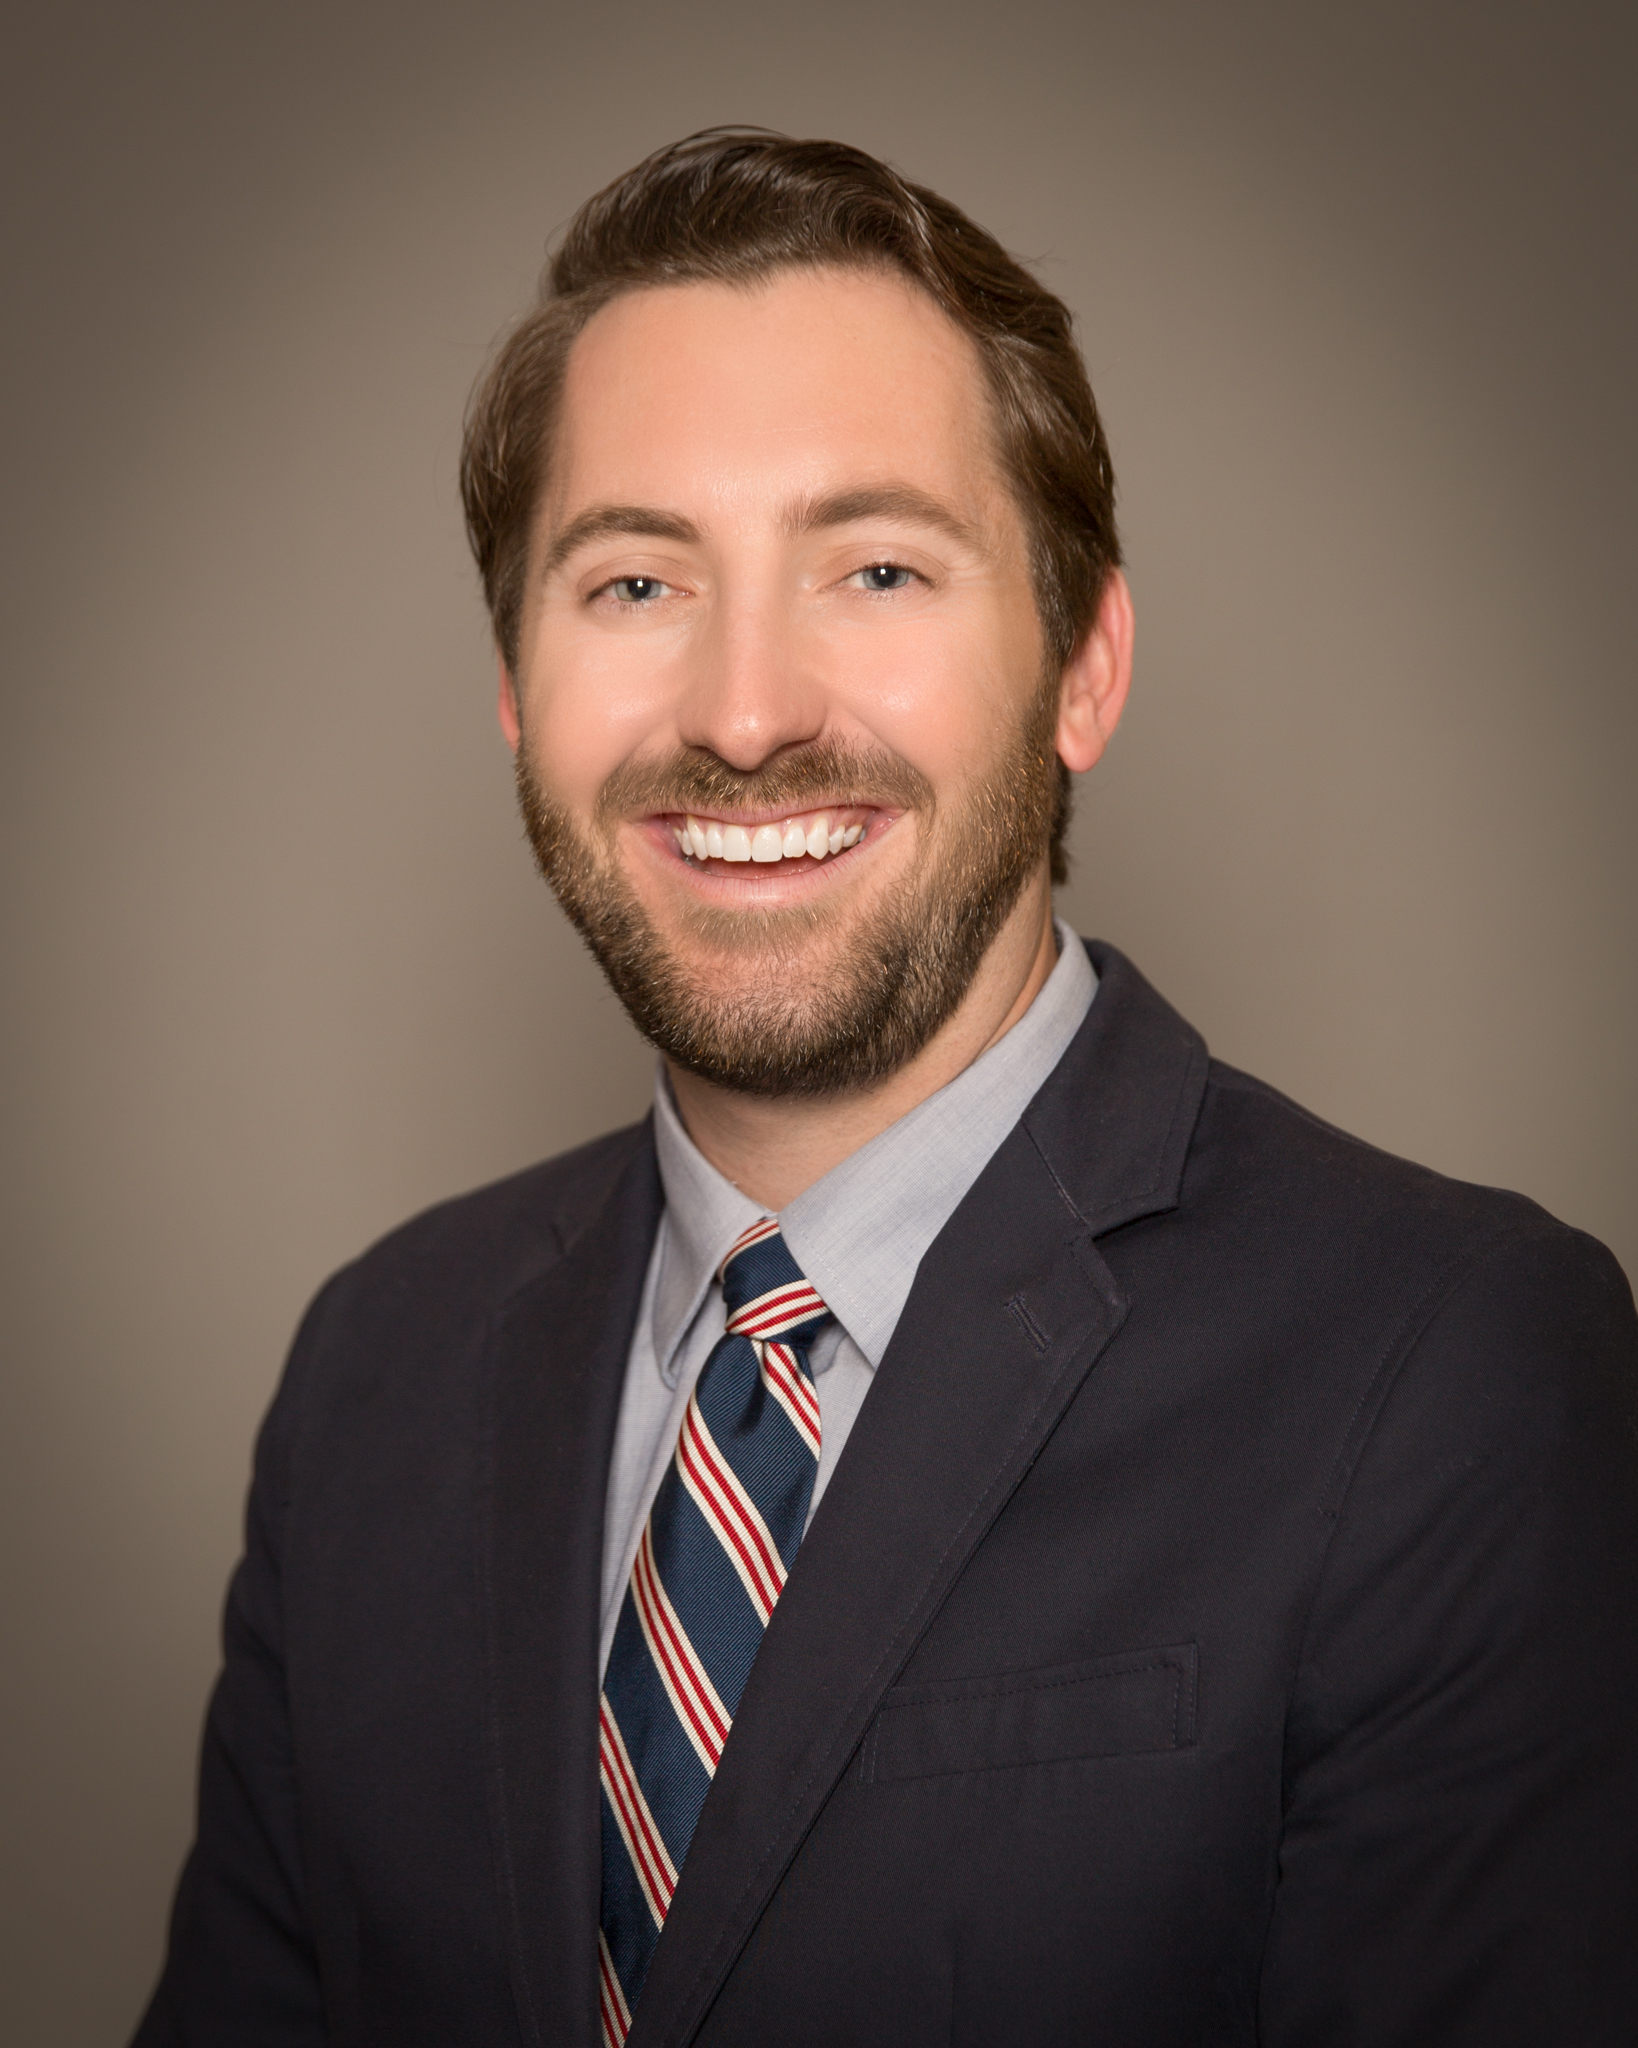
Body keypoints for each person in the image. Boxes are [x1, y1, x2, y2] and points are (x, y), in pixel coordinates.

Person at [134, 129, 1638, 2048]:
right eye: (634, 583)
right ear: (514, 689)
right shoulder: (376, 1370)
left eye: (873, 568)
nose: (745, 713)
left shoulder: (1451, 1367)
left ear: (1081, 667)